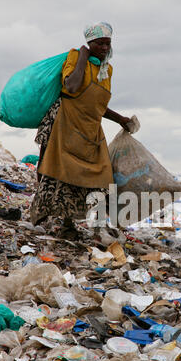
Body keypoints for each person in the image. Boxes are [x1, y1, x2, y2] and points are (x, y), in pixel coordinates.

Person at [30, 21, 132, 239]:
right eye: (99, 44)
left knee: (102, 176)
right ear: (89, 43)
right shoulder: (76, 58)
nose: (105, 48)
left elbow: (97, 104)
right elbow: (72, 87)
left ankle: (97, 225)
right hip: (65, 125)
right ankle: (67, 225)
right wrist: (83, 57)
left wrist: (121, 120)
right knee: (64, 176)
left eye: (108, 44)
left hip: (90, 129)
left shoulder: (107, 70)